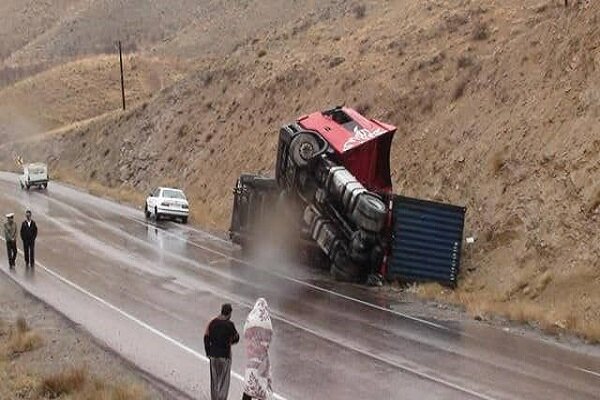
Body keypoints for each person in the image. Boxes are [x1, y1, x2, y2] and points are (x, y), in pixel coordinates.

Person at [204, 303, 240, 400]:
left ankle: (214, 398)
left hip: (213, 356)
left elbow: (206, 337)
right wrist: (230, 342)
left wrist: (208, 352)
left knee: (214, 380)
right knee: (224, 381)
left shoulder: (212, 322)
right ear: (229, 313)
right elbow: (236, 338)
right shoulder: (230, 325)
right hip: (225, 356)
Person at [242, 298, 273, 400]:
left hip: (252, 359)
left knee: (249, 383)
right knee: (261, 384)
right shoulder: (267, 321)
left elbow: (245, 333)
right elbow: (269, 338)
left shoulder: (251, 318)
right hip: (263, 359)